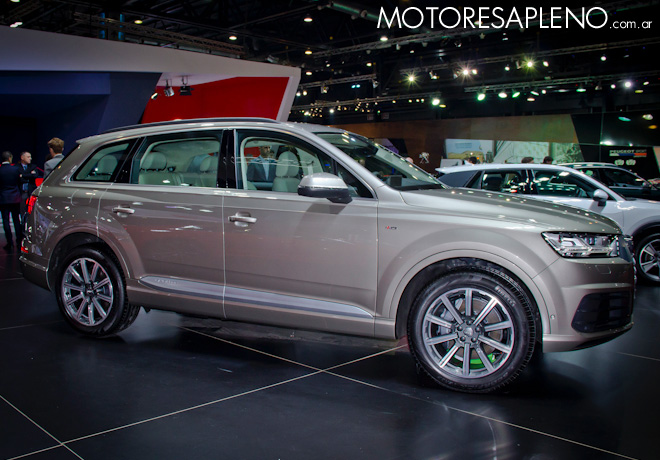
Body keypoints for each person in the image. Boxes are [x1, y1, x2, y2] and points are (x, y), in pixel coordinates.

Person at [0, 151, 23, 251]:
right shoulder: (15, 169)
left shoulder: (0, 170)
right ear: (10, 158)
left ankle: (9, 242)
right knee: (16, 220)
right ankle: (19, 241)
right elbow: (19, 183)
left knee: (5, 220)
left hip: (3, 198)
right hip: (15, 197)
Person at [18, 151, 41, 216]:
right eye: (28, 157)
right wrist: (29, 175)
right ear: (22, 157)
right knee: (22, 210)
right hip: (21, 192)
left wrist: (22, 175)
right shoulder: (17, 167)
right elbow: (18, 178)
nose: (30, 158)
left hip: (31, 191)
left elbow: (35, 176)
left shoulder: (33, 166)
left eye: (30, 157)